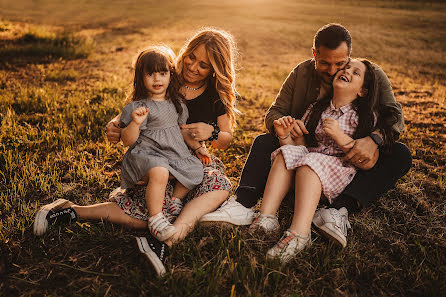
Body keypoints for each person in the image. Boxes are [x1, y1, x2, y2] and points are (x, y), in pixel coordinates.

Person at [200, 23, 412, 249]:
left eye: (340, 64)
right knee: (264, 141)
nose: (332, 71)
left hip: (349, 158)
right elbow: (274, 112)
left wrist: (374, 140)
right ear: (314, 55)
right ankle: (243, 204)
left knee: (399, 154)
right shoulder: (301, 74)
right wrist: (281, 124)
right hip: (305, 148)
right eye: (325, 63)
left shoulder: (369, 73)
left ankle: (338, 210)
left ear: (349, 56)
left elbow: (394, 116)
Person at [108, 28, 237, 276]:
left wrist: (209, 133)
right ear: (184, 52)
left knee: (219, 184)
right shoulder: (168, 76)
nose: (192, 66)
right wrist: (114, 124)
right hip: (155, 157)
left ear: (214, 70)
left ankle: (168, 233)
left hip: (187, 156)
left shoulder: (213, 97)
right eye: (191, 57)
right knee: (143, 210)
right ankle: (162, 230)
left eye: (204, 65)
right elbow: (138, 105)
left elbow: (226, 139)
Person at [249, 59, 397, 263]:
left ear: (362, 91)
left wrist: (340, 136)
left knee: (310, 162)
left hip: (338, 171)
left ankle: (299, 234)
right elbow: (303, 144)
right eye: (346, 68)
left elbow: (367, 161)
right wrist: (285, 137)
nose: (347, 71)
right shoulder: (317, 108)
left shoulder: (363, 116)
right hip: (308, 166)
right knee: (286, 153)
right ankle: (266, 218)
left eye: (355, 73)